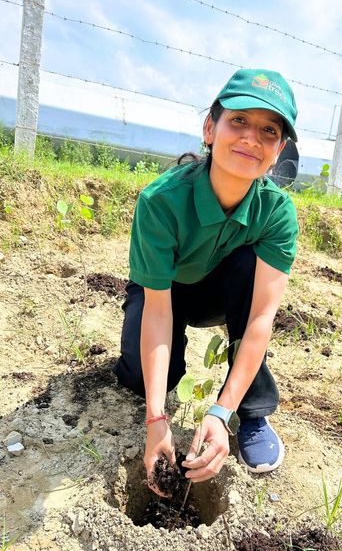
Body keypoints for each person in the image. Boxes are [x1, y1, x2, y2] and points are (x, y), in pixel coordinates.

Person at [113, 68, 299, 497]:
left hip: (223, 294)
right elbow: (159, 309)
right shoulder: (161, 200)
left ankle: (249, 412)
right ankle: (146, 376)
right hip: (167, 291)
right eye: (239, 121)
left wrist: (219, 411)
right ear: (209, 128)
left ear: (279, 150)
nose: (252, 138)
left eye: (268, 130)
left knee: (247, 267)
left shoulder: (276, 212)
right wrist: (157, 419)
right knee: (140, 381)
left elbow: (259, 320)